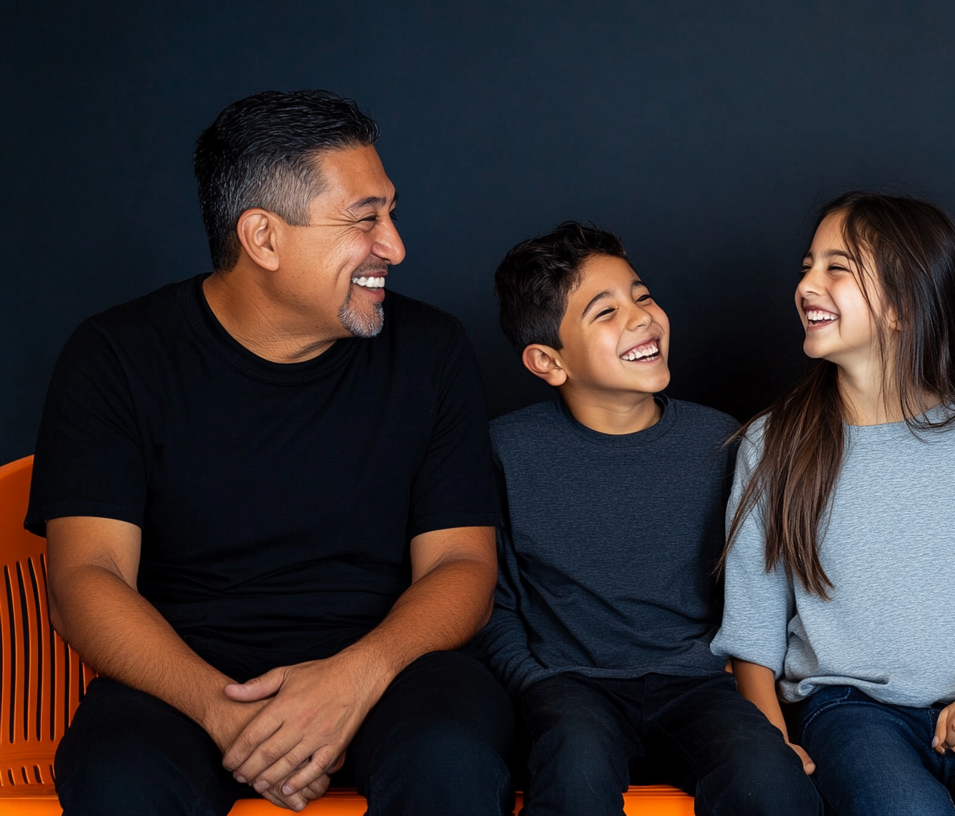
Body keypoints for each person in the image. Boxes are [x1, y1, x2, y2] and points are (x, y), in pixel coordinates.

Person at [25, 90, 514, 816]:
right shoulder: (116, 357)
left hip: (391, 666)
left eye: (391, 212)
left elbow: (462, 566)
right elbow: (84, 579)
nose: (396, 246)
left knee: (456, 759)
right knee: (113, 778)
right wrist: (228, 714)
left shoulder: (430, 350)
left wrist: (352, 679)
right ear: (263, 238)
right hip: (181, 676)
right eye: (365, 219)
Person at [712, 192, 955, 816]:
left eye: (837, 267)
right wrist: (771, 740)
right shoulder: (774, 444)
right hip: (846, 709)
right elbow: (753, 625)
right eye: (807, 265)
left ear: (904, 306)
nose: (807, 284)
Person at [474, 222, 821, 816]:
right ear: (548, 361)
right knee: (576, 778)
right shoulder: (506, 451)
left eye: (642, 295)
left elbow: (752, 594)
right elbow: (492, 602)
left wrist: (753, 701)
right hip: (571, 686)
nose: (641, 317)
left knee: (774, 784)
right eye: (604, 312)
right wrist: (534, 684)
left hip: (700, 686)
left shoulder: (721, 440)